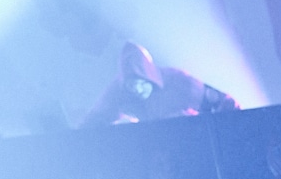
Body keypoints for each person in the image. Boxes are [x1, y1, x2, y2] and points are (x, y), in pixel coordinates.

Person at [80, 42, 239, 129]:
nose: (138, 91)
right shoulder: (118, 92)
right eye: (131, 86)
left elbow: (223, 104)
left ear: (149, 76)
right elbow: (94, 121)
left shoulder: (178, 81)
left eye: (141, 83)